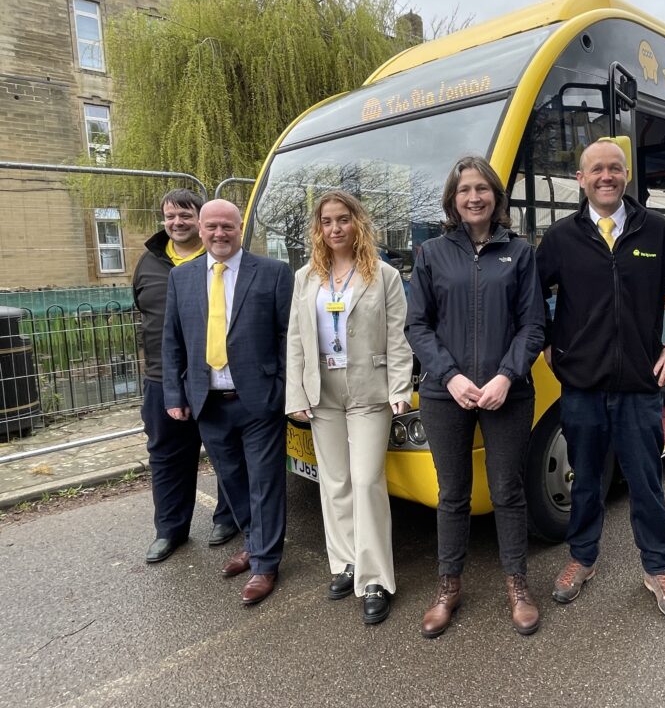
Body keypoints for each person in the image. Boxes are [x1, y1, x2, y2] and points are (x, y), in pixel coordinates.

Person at [535, 138, 665, 620]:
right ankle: (581, 558)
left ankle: (658, 568)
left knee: (646, 482)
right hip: (582, 387)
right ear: (581, 179)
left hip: (638, 386)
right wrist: (548, 343)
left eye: (614, 168)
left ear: (626, 176)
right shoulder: (561, 239)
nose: (605, 176)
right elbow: (530, 296)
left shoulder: (656, 232)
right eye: (596, 170)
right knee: (585, 480)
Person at [406, 155, 546, 637]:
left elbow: (533, 326)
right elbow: (417, 326)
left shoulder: (521, 253)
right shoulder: (431, 254)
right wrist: (449, 377)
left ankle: (517, 584)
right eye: (465, 189)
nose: (474, 197)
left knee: (508, 490)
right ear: (453, 198)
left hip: (508, 392)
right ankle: (449, 586)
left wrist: (507, 376)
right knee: (452, 495)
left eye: (482, 188)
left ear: (495, 196)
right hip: (447, 395)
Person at [285, 191, 413, 625]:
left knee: (366, 480)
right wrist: (296, 395)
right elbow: (296, 341)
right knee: (334, 480)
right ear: (318, 229)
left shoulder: (384, 276)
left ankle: (375, 577)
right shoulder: (306, 277)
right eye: (327, 221)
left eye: (343, 219)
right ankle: (346, 564)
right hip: (322, 390)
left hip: (369, 389)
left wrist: (400, 387)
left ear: (358, 223)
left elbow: (398, 337)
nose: (335, 228)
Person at [163, 199, 293, 606]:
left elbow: (290, 337)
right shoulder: (181, 278)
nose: (220, 234)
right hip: (207, 401)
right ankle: (254, 543)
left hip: (259, 401)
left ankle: (265, 564)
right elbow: (172, 342)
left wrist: (284, 390)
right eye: (212, 227)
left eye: (228, 227)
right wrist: (175, 394)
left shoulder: (272, 273)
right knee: (233, 481)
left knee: (265, 481)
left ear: (240, 229)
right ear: (200, 230)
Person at [133, 189, 238, 563]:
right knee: (166, 457)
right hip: (163, 379)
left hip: (213, 378)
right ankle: (170, 530)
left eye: (185, 215)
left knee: (226, 452)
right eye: (170, 216)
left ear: (202, 219)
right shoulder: (148, 263)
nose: (177, 222)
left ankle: (228, 518)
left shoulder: (219, 256)